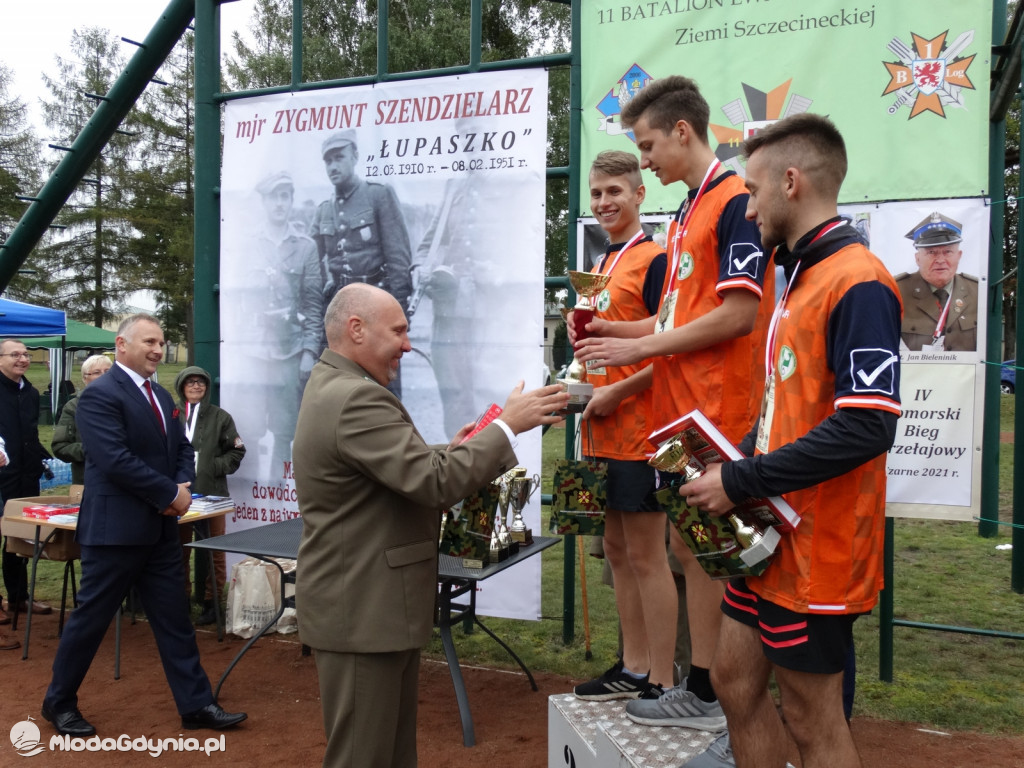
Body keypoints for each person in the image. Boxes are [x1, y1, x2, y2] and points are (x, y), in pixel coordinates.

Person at [682, 113, 901, 768]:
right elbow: (789, 408)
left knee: (811, 717)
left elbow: (869, 424)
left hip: (820, 551)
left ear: (792, 181)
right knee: (733, 681)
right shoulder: (799, 277)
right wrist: (734, 454)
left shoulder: (857, 280)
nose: (747, 208)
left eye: (752, 191)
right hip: (771, 533)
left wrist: (741, 480)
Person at [293, 283, 568, 768]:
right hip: (363, 611)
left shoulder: (340, 388)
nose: (407, 343)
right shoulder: (356, 399)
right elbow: (433, 484)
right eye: (398, 330)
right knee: (363, 757)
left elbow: (399, 468)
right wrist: (508, 426)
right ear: (356, 329)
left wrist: (455, 448)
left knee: (390, 754)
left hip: (369, 609)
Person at [573, 75, 774, 733]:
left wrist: (635, 351)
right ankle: (704, 687)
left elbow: (738, 316)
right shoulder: (689, 209)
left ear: (682, 132)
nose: (646, 159)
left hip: (722, 409)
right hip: (681, 414)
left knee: (724, 557)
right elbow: (670, 318)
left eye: (649, 145)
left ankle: (720, 696)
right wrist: (616, 336)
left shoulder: (734, 201)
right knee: (695, 553)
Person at [42, 314, 247, 737]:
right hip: (114, 532)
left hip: (159, 531)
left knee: (174, 620)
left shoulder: (158, 393)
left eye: (161, 342)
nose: (157, 349)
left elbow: (181, 447)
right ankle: (58, 703)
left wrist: (182, 482)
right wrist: (171, 494)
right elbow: (114, 460)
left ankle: (196, 705)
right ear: (122, 345)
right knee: (92, 621)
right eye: (149, 342)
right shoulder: (100, 396)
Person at [569, 151, 675, 701]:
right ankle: (633, 667)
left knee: (646, 555)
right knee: (614, 548)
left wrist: (619, 389)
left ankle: (663, 677)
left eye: (614, 191)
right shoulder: (602, 262)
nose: (604, 202)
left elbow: (674, 352)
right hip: (600, 429)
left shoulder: (655, 259)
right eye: (596, 193)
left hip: (641, 431)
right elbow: (611, 343)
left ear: (639, 194)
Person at [225, 171, 323, 475]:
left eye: (285, 196)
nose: (280, 203)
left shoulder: (306, 247)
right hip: (252, 351)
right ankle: (253, 493)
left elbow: (313, 303)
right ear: (264, 202)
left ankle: (278, 492)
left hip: (288, 351)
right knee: (250, 429)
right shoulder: (247, 245)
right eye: (274, 197)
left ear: (291, 201)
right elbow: (234, 300)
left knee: (285, 432)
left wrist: (309, 351)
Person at [310, 130, 413, 397]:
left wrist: (398, 321)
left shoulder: (378, 195)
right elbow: (312, 264)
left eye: (339, 158)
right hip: (339, 313)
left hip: (378, 312)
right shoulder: (323, 210)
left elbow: (399, 259)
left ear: (355, 156)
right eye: (328, 161)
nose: (333, 166)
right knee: (338, 387)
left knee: (385, 387)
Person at [174, 366, 246, 625]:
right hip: (178, 495)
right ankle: (180, 601)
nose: (196, 386)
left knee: (215, 550)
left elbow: (237, 451)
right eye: (190, 382)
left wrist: (213, 467)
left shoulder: (220, 417)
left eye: (201, 382)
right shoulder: (172, 416)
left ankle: (212, 602)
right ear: (182, 386)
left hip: (213, 496)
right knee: (179, 550)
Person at [0, 338, 53, 630]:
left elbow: (30, 434)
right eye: (15, 355)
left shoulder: (31, 393)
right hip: (1, 478)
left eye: (25, 354)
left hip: (26, 478)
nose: (22, 359)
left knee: (20, 539)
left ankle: (18, 596)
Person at [894, 212, 978, 352]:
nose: (940, 260)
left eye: (947, 252)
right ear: (918, 258)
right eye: (931, 252)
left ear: (959, 256)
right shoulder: (896, 291)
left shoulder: (978, 291)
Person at [51, 354, 112, 485]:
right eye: (96, 372)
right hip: (88, 482)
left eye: (108, 371)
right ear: (85, 378)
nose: (103, 375)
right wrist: (92, 450)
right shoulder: (73, 407)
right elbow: (60, 447)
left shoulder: (127, 403)